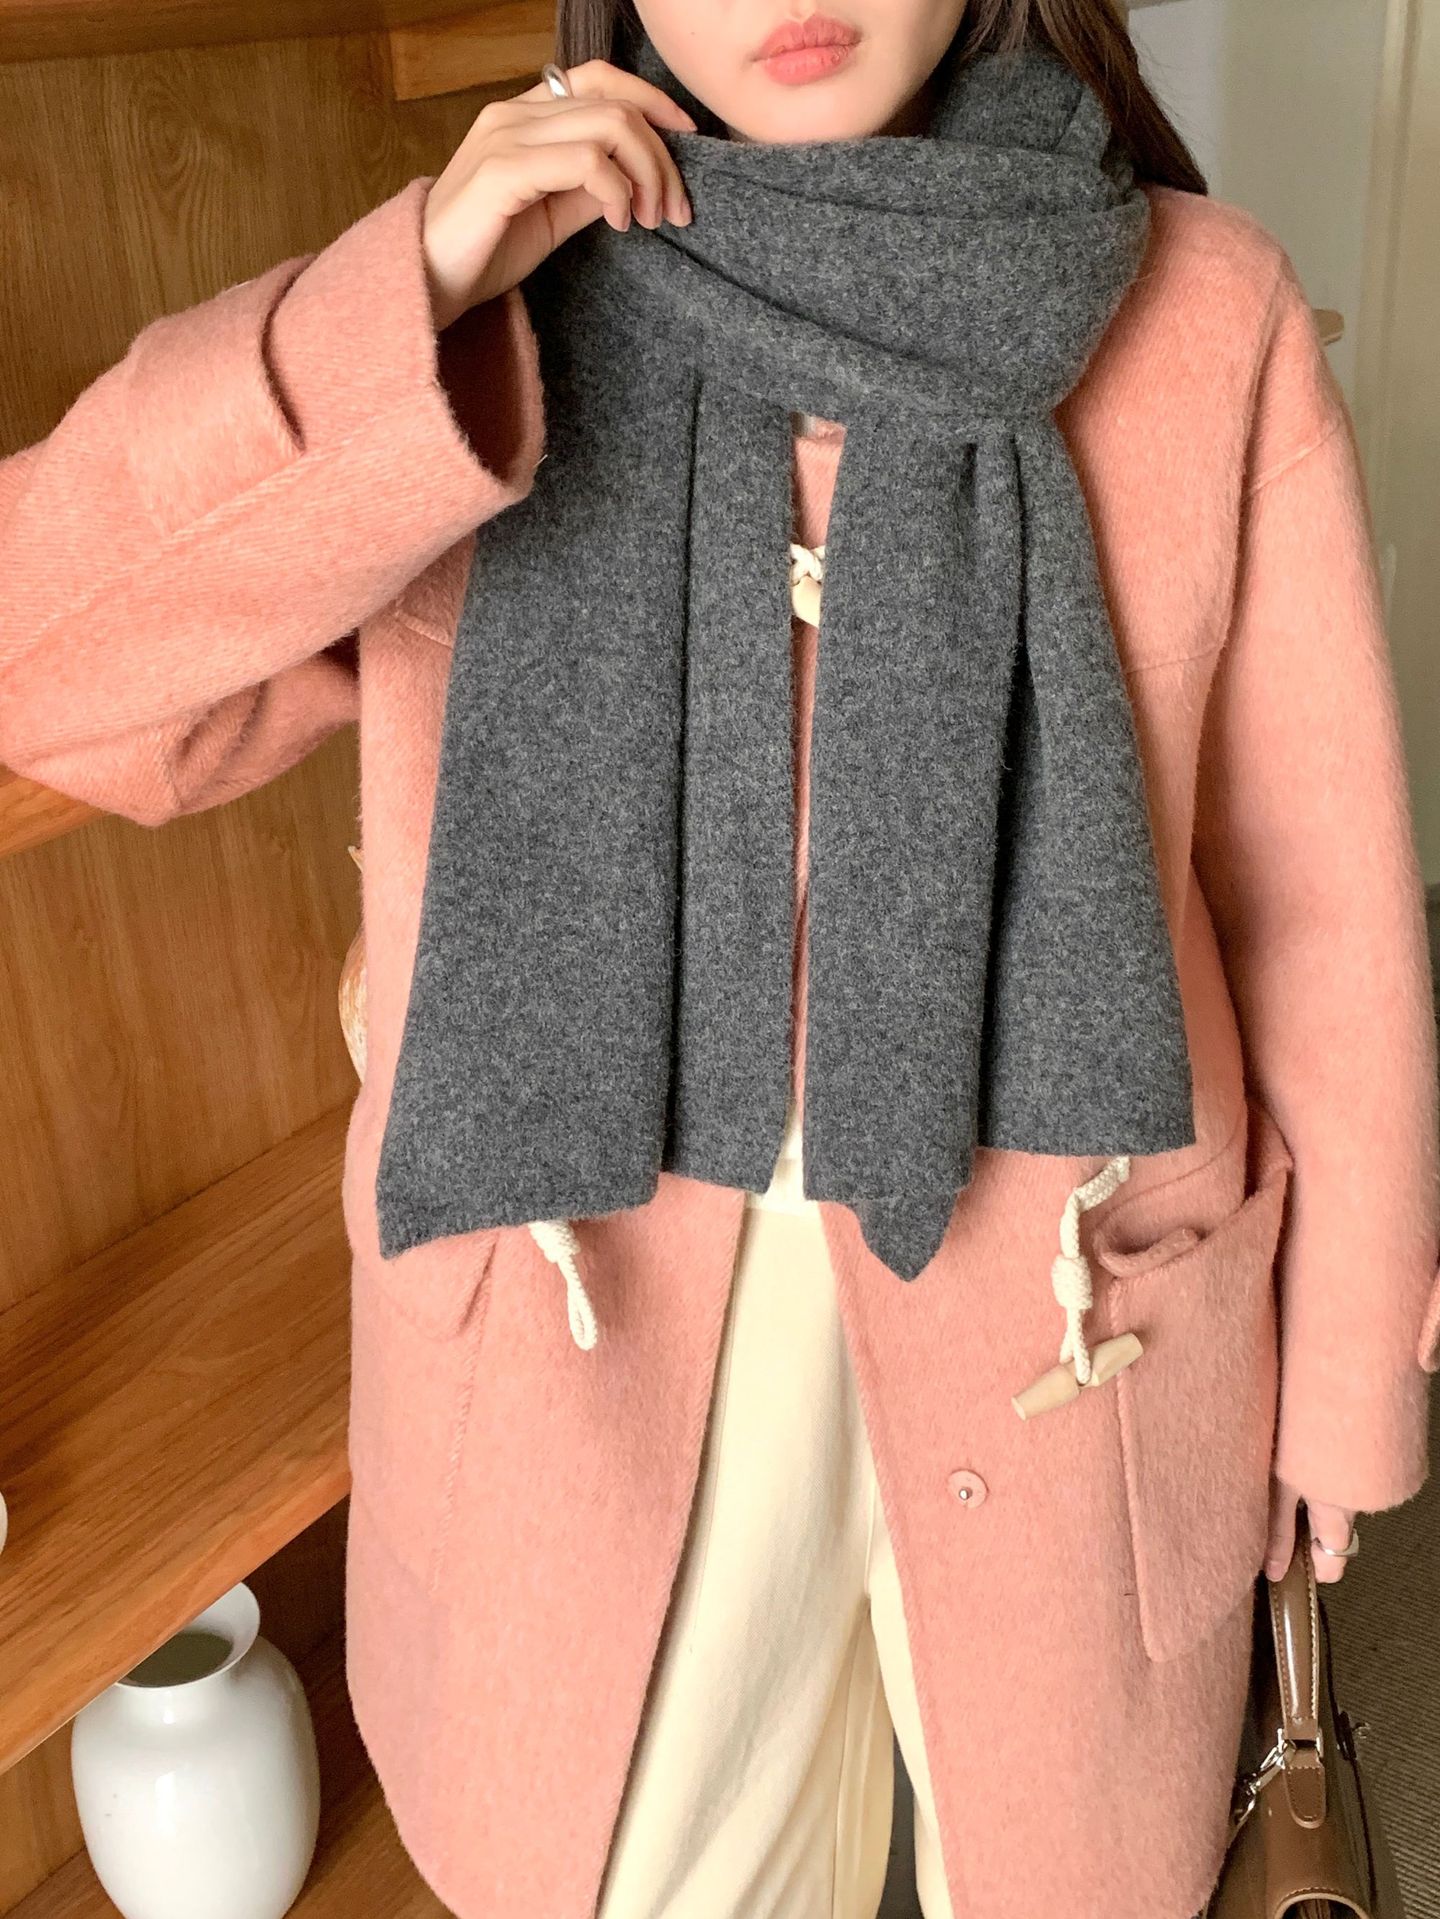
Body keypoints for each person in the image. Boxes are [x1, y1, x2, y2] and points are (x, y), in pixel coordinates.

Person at [2, 3, 1437, 1917]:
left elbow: (1318, 905)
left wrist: (1345, 1383)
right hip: (597, 1358)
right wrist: (405, 302)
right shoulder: (489, 314)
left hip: (1066, 1331)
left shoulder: (1204, 314)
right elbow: (51, 664)